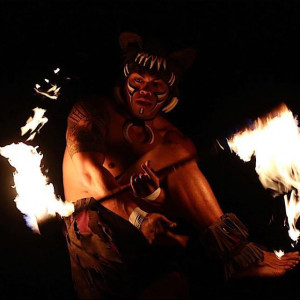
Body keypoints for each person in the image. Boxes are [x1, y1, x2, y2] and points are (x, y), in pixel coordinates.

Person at [62, 32, 300, 300]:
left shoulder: (173, 137)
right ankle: (237, 255)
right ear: (125, 82)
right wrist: (140, 218)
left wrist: (152, 195)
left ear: (169, 95)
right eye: (138, 82)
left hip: (145, 233)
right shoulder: (92, 112)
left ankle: (234, 257)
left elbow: (175, 202)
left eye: (156, 87)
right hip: (94, 227)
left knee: (176, 285)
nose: (144, 92)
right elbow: (88, 173)